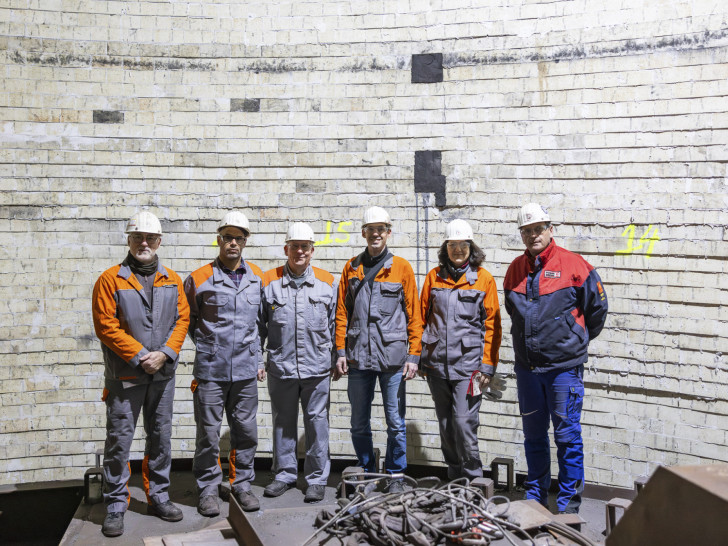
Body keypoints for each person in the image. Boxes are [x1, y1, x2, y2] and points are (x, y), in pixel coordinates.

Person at [503, 203, 608, 514]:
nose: (533, 235)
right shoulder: (514, 270)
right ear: (521, 235)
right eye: (527, 230)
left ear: (550, 230)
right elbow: (513, 313)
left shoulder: (575, 266)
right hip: (528, 371)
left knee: (567, 437)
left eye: (538, 228)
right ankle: (535, 499)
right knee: (533, 437)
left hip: (563, 370)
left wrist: (572, 340)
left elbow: (597, 311)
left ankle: (568, 506)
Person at [92, 211, 190, 537]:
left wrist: (165, 354)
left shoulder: (173, 280)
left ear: (159, 241)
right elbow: (105, 326)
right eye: (137, 237)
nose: (143, 243)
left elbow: (182, 321)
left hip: (162, 376)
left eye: (149, 238)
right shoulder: (110, 280)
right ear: (129, 240)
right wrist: (139, 356)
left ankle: (158, 497)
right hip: (126, 377)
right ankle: (116, 505)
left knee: (160, 439)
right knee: (119, 442)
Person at [333, 206, 423, 492]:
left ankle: (395, 475)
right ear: (363, 233)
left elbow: (415, 315)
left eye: (380, 229)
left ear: (388, 233)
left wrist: (414, 355)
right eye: (370, 229)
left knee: (395, 423)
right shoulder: (352, 267)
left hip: (393, 360)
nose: (375, 234)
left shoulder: (402, 268)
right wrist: (340, 351)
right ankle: (368, 472)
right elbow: (341, 313)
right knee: (359, 423)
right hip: (358, 358)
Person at [184, 211, 265, 516]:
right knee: (207, 433)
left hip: (245, 371)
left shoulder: (257, 278)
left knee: (245, 431)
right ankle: (207, 489)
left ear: (245, 242)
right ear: (218, 239)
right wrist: (209, 346)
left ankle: (241, 485)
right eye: (227, 237)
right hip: (210, 371)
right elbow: (188, 320)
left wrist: (257, 358)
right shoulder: (199, 278)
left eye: (239, 238)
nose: (233, 243)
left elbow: (259, 324)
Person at [260, 223, 337, 503]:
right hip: (281, 367)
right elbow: (259, 326)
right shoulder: (269, 282)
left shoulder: (328, 282)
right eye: (295, 246)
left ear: (312, 251)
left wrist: (338, 357)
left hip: (317, 368)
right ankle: (284, 474)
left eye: (305, 246)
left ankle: (316, 479)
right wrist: (259, 358)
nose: (300, 251)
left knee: (317, 424)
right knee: (283, 422)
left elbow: (335, 325)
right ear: (286, 249)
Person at [419, 219, 502, 481]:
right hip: (436, 367)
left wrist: (487, 367)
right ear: (446, 247)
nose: (457, 249)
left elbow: (493, 326)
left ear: (471, 246)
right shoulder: (434, 277)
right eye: (452, 244)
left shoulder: (484, 279)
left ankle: (473, 482)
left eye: (462, 244)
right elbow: (421, 318)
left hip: (470, 369)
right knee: (446, 426)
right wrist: (420, 357)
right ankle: (455, 480)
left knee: (464, 423)